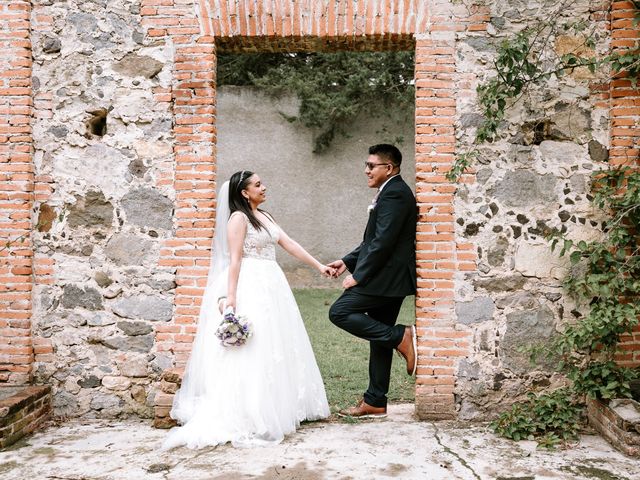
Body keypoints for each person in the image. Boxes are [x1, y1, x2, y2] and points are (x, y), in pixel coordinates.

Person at [163, 170, 332, 449]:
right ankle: (250, 413)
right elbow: (235, 259)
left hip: (273, 284)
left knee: (276, 343)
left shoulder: (265, 216)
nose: (263, 187)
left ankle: (280, 406)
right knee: (253, 347)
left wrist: (318, 265)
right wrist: (230, 297)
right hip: (250, 284)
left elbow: (288, 243)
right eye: (257, 184)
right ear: (244, 192)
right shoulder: (238, 219)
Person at [328, 144, 417, 419]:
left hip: (386, 279)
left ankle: (402, 336)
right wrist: (348, 261)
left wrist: (359, 275)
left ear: (388, 168)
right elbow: (372, 240)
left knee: (340, 312)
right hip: (386, 278)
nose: (366, 171)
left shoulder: (395, 194)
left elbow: (383, 242)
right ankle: (375, 401)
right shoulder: (390, 191)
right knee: (378, 338)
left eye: (371, 166)